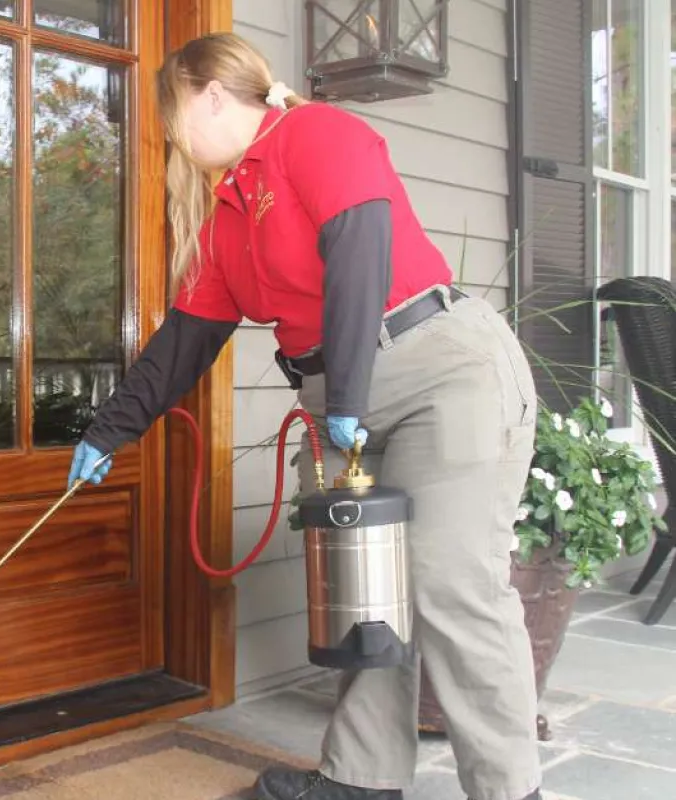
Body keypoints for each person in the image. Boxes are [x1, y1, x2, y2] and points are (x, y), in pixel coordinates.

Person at [66, 31, 542, 800]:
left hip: (438, 373)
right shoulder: (225, 215)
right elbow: (185, 340)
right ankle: (361, 777)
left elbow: (361, 253)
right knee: (367, 591)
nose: (172, 141)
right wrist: (108, 431)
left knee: (453, 587)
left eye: (172, 120)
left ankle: (512, 791)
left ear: (209, 94)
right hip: (340, 395)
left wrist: (348, 397)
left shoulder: (318, 134)